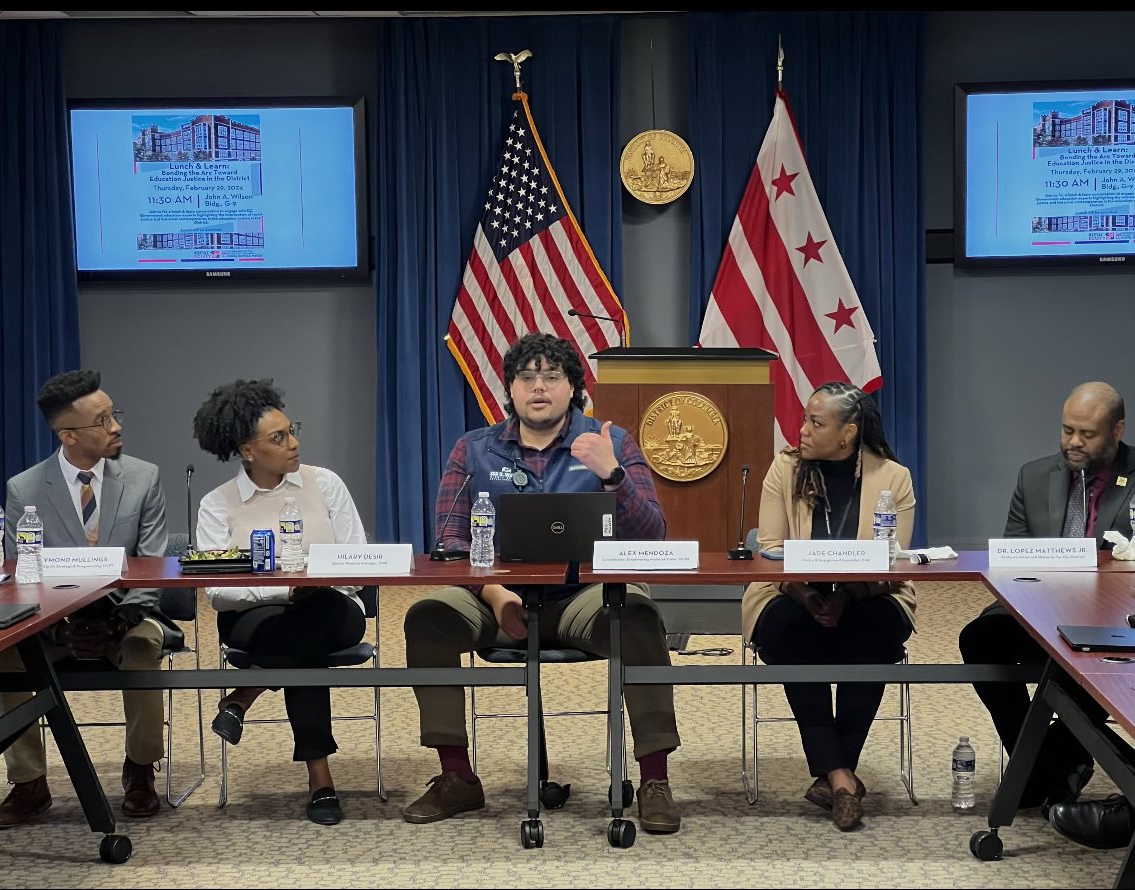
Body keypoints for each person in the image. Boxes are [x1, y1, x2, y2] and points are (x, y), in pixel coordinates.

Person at [402, 332, 682, 834]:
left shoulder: (611, 442)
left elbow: (653, 537)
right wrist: (493, 593)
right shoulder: (473, 449)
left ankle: (654, 781)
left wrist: (611, 475)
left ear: (573, 388)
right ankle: (457, 777)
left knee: (638, 614)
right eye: (526, 377)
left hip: (586, 597)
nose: (538, 387)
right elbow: (451, 543)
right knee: (429, 616)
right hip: (496, 599)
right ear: (508, 389)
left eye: (552, 377)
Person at [0, 370, 180, 828]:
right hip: (54, 623)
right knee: (7, 654)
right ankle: (29, 783)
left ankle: (140, 771)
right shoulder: (24, 489)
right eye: (103, 420)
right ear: (68, 435)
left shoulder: (143, 478)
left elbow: (152, 567)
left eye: (114, 415)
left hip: (130, 616)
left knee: (141, 647)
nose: (116, 427)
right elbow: (23, 578)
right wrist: (64, 628)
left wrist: (115, 622)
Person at [959, 381, 1135, 849]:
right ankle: (1045, 771)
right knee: (979, 639)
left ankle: (1041, 776)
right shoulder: (1033, 476)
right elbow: (1013, 554)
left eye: (1088, 434)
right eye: (1067, 430)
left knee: (1086, 662)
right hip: (1036, 605)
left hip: (1111, 617)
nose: (1074, 442)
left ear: (1117, 431)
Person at [192, 378, 369, 825]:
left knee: (318, 607)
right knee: (300, 635)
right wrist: (283, 590)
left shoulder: (325, 484)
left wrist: (310, 590)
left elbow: (358, 559)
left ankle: (243, 696)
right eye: (279, 438)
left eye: (292, 430)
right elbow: (219, 593)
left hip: (335, 610)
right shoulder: (218, 505)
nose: (294, 443)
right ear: (247, 451)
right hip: (256, 619)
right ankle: (320, 780)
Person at [743, 382, 916, 831]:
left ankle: (834, 772)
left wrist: (846, 597)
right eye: (804, 418)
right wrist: (808, 594)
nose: (801, 430)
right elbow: (770, 551)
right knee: (791, 631)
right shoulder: (785, 469)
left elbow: (893, 564)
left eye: (815, 423)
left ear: (848, 433)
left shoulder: (892, 477)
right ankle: (842, 778)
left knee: (875, 632)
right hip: (788, 591)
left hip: (870, 592)